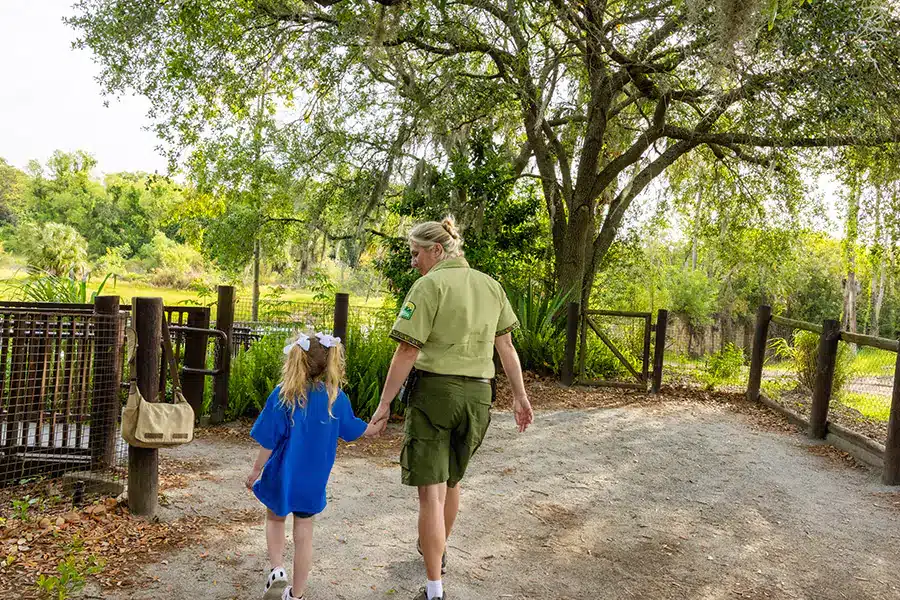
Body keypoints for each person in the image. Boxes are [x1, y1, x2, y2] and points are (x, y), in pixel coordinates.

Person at [368, 216, 534, 600]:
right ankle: (436, 557)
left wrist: (385, 403)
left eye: (415, 253)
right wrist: (520, 397)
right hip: (479, 397)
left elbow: (408, 349)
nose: (413, 262)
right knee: (452, 482)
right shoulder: (491, 286)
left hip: (435, 394)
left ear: (436, 250)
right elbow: (505, 347)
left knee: (431, 492)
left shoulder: (429, 285)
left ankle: (434, 590)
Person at [246, 331, 378, 600]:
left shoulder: (283, 395)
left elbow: (268, 440)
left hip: (282, 474)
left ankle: (277, 570)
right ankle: (297, 594)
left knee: (275, 518)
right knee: (304, 534)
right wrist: (373, 427)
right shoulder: (335, 398)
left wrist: (256, 470)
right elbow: (353, 429)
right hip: (314, 480)